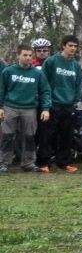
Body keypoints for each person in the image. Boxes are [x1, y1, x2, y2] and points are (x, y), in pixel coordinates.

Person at [1, 44, 48, 173]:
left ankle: (28, 164)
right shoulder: (8, 71)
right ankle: (4, 163)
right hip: (10, 107)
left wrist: (45, 108)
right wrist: (0, 107)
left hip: (30, 109)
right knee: (7, 136)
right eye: (25, 55)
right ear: (18, 55)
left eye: (29, 55)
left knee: (29, 137)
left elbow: (45, 91)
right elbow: (1, 89)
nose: (28, 58)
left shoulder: (37, 73)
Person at [40, 36, 82, 172]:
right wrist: (46, 104)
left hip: (68, 106)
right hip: (52, 104)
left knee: (67, 136)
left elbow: (78, 86)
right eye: (70, 45)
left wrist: (74, 101)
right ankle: (44, 163)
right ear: (63, 46)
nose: (73, 48)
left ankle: (64, 163)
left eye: (75, 46)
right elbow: (43, 83)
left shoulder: (76, 65)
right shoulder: (51, 61)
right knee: (47, 135)